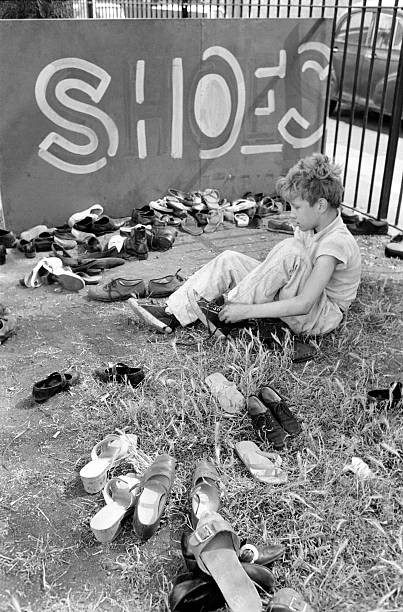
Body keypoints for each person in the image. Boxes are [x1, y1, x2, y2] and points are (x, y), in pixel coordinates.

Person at [131, 153, 362, 340]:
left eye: (297, 207)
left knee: (291, 250)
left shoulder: (336, 242)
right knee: (230, 259)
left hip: (320, 316)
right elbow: (283, 273)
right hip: (300, 296)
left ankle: (224, 314)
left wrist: (247, 311)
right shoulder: (310, 226)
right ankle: (171, 314)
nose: (293, 214)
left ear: (321, 205)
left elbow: (304, 303)